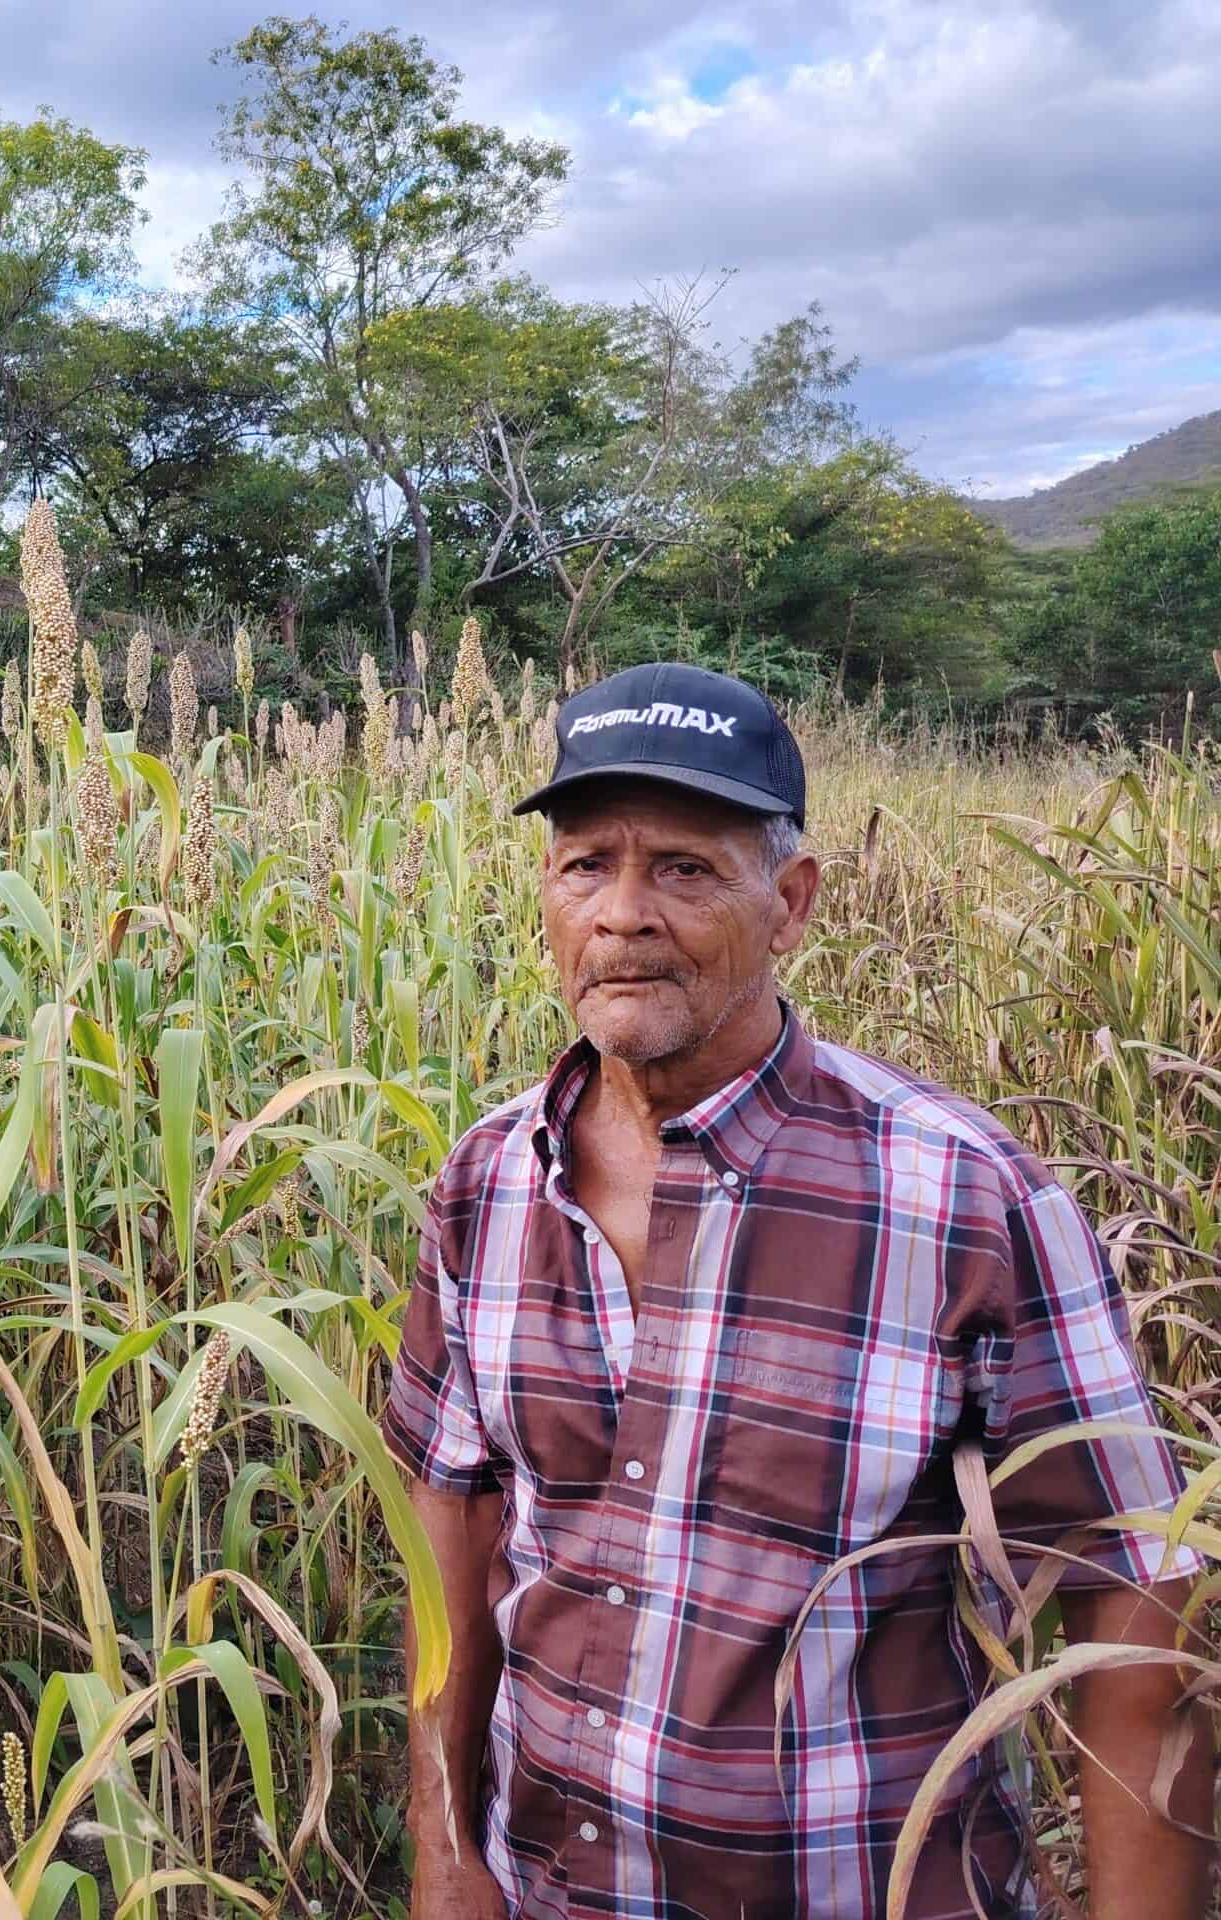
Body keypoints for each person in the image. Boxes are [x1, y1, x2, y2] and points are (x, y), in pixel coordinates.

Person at [382, 663, 1212, 1919]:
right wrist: (449, 1864)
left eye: (684, 869)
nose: (621, 915)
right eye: (583, 866)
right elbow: (453, 1531)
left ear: (791, 905)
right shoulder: (487, 1181)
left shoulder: (963, 1202)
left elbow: (1135, 1589)